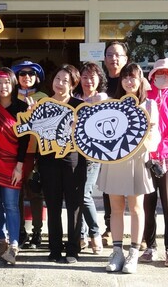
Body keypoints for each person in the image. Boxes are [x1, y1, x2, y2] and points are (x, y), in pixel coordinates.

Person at [97, 63, 160, 274]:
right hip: (114, 159)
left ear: (141, 79)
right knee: (115, 206)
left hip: (138, 159)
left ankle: (133, 252)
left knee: (136, 207)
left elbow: (155, 138)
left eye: (132, 77)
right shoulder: (112, 104)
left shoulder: (150, 105)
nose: (129, 81)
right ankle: (117, 251)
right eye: (125, 77)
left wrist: (149, 133)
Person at [37, 64, 87, 264]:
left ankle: (73, 249)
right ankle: (55, 248)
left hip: (73, 160)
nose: (60, 84)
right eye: (58, 79)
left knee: (74, 205)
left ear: (73, 84)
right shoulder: (43, 104)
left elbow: (87, 136)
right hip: (48, 160)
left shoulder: (79, 105)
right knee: (53, 204)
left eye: (65, 80)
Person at [140, 58, 168, 267]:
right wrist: (149, 149)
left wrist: (159, 148)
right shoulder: (144, 99)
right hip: (146, 157)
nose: (162, 76)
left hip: (167, 158)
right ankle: (150, 247)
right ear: (152, 76)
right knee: (147, 205)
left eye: (167, 73)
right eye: (159, 73)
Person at [0, 68, 29, 265]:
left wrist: (19, 167)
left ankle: (13, 245)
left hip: (13, 164)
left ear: (13, 84)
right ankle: (1, 242)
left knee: (11, 205)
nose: (3, 87)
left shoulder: (22, 107)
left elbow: (24, 140)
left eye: (6, 82)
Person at [11, 60, 47, 249]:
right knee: (15, 193)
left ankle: (37, 232)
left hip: (37, 152)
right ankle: (19, 232)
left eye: (31, 74)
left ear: (37, 78)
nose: (26, 77)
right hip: (15, 152)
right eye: (22, 74)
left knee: (35, 193)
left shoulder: (44, 97)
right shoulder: (10, 96)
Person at [74, 62, 108, 254]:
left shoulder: (103, 98)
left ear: (99, 79)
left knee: (84, 193)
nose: (88, 81)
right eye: (85, 77)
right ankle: (81, 235)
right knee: (78, 192)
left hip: (94, 153)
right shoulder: (74, 98)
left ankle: (94, 233)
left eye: (92, 77)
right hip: (74, 153)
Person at [101, 41, 130, 247]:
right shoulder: (101, 83)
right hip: (106, 144)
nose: (114, 58)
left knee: (135, 191)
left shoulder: (131, 81)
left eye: (118, 55)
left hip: (129, 144)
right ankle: (110, 228)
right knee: (109, 189)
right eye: (110, 54)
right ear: (104, 58)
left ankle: (141, 234)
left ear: (126, 59)